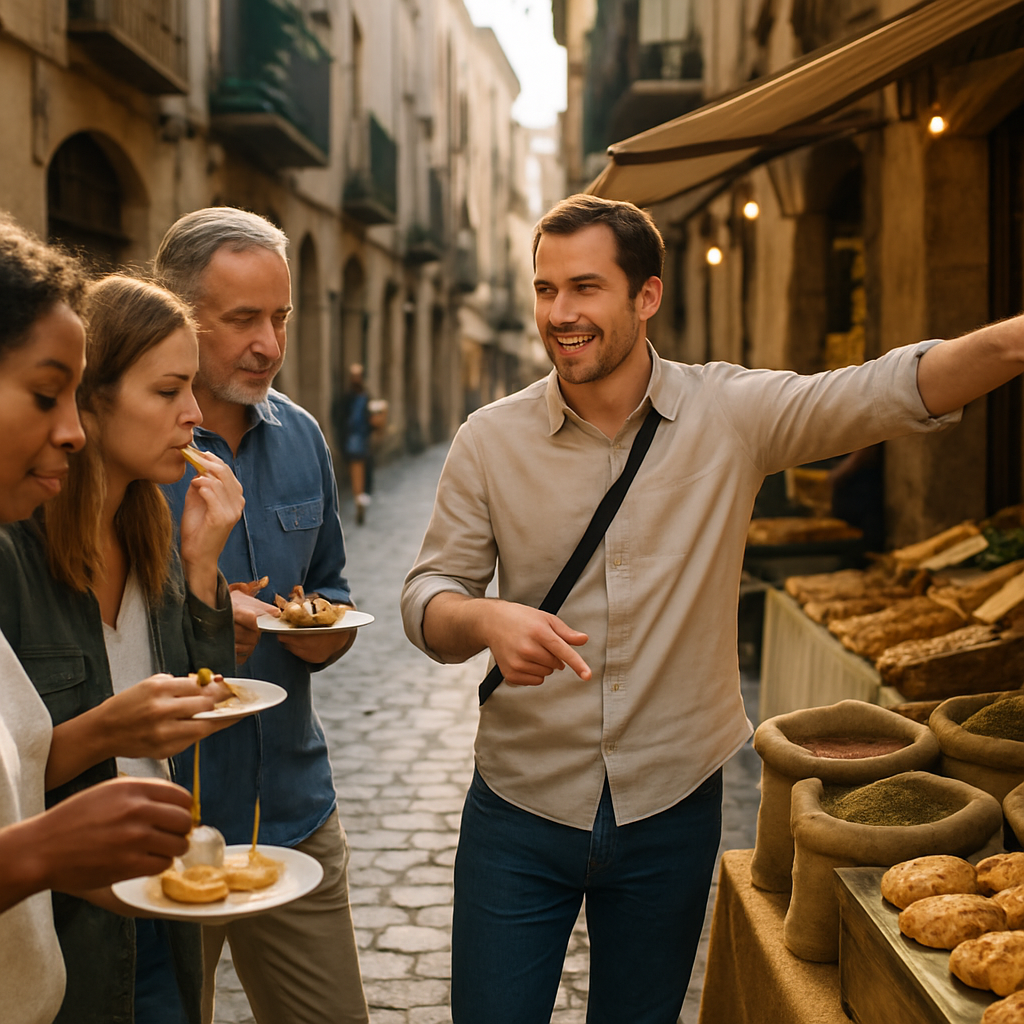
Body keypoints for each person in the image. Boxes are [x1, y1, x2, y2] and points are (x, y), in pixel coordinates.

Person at [401, 193, 1024, 1023]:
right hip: (518, 810)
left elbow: (887, 390)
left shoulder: (729, 414)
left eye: (585, 288)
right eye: (546, 290)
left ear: (646, 296)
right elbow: (425, 597)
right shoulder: (490, 437)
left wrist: (1014, 340)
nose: (560, 314)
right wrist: (485, 620)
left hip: (671, 808)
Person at [0, 272, 244, 1024]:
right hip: (61, 939)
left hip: (158, 905)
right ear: (93, 402)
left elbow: (202, 701)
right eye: (169, 391)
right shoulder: (13, 550)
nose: (195, 416)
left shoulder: (152, 531)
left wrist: (204, 567)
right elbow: (15, 778)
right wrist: (105, 731)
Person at [154, 207, 369, 1024]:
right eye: (243, 319)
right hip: (164, 822)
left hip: (294, 808)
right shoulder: (131, 449)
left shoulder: (304, 436)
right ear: (180, 316)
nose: (269, 344)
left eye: (279, 317)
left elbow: (331, 587)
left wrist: (323, 632)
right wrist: (200, 606)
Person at [331, 362, 374, 524]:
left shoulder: (365, 398)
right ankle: (360, 499)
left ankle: (360, 498)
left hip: (361, 441)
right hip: (353, 441)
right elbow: (339, 419)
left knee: (361, 472)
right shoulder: (348, 399)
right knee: (358, 471)